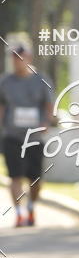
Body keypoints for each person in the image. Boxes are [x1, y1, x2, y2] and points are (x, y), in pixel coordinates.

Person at [0, 45, 54, 227]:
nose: (17, 61)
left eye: (20, 57)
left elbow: (48, 105)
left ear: (29, 58)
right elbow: (2, 106)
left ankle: (30, 207)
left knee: (35, 178)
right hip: (12, 136)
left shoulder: (41, 80)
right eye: (14, 58)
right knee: (15, 176)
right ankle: (18, 213)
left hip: (34, 137)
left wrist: (46, 122)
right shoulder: (5, 82)